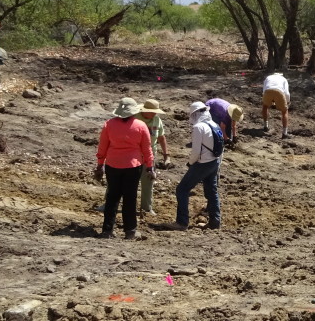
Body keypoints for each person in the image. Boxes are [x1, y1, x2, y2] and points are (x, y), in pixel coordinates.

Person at [94, 98, 155, 239]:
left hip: (113, 165)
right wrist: (150, 167)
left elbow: (102, 147)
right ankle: (131, 231)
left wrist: (99, 164)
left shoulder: (109, 124)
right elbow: (147, 149)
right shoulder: (141, 125)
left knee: (112, 197)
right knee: (130, 197)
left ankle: (107, 230)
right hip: (133, 166)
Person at [159, 102, 223, 230]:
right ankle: (215, 222)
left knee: (182, 189)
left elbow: (196, 152)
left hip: (202, 163)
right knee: (212, 191)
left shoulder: (199, 127)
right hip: (214, 162)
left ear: (195, 114)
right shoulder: (215, 125)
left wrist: (191, 163)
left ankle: (182, 222)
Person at [135, 99, 171, 216]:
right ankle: (110, 204)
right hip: (133, 155)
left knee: (148, 181)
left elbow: (161, 137)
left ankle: (146, 207)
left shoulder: (157, 120)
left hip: (150, 155)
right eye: (152, 111)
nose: (155, 114)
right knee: (124, 180)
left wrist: (166, 155)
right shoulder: (134, 118)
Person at [261, 72, 292, 139]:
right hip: (279, 91)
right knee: (284, 111)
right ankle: (284, 133)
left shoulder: (268, 77)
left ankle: (265, 126)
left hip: (268, 91)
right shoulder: (283, 79)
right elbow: (286, 93)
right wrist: (287, 102)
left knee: (265, 106)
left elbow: (264, 90)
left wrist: (268, 100)